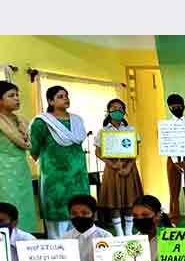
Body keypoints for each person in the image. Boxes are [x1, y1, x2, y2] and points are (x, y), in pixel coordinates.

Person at [29, 85, 90, 239]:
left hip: (77, 175)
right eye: (60, 96)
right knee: (58, 218)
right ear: (50, 101)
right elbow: (34, 148)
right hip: (55, 177)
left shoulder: (77, 120)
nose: (65, 99)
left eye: (66, 96)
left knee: (79, 213)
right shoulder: (42, 122)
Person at [95, 99, 144, 236]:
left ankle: (128, 231)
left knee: (130, 201)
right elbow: (98, 152)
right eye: (114, 108)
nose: (117, 111)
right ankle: (119, 232)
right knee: (113, 201)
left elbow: (136, 151)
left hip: (129, 168)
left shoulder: (131, 130)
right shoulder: (103, 131)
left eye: (120, 108)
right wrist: (112, 165)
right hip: (112, 170)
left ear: (124, 111)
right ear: (108, 111)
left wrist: (128, 167)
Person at [0, 82, 37, 232]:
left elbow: (30, 145)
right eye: (11, 95)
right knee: (6, 208)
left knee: (24, 208)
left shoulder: (22, 121)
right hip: (3, 173)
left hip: (22, 171)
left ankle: (24, 247)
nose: (17, 98)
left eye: (17, 95)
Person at [164, 93, 185, 226]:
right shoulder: (166, 125)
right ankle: (174, 218)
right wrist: (175, 162)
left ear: (184, 107)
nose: (176, 108)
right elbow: (165, 144)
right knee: (173, 190)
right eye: (173, 106)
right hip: (173, 161)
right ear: (169, 108)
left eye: (179, 106)